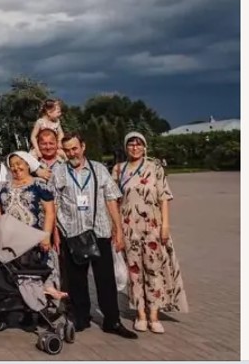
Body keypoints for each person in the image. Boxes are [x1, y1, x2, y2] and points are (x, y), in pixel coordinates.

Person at [52, 133, 137, 339]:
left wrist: (118, 231)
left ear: (83, 146)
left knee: (105, 279)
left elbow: (111, 200)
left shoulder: (99, 169)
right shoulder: (59, 172)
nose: (72, 153)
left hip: (99, 231)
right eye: (68, 150)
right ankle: (82, 317)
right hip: (71, 232)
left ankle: (112, 320)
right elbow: (53, 204)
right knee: (77, 280)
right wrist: (55, 233)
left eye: (75, 148)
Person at [111, 132, 188, 333]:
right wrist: (116, 230)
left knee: (154, 269)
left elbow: (163, 197)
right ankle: (140, 314)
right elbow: (114, 202)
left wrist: (165, 225)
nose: (135, 148)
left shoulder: (154, 168)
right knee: (134, 272)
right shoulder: (119, 170)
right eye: (131, 145)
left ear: (145, 147)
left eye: (138, 144)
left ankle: (154, 314)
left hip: (152, 226)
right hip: (129, 228)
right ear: (126, 148)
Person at [0, 151, 66, 302]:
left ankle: (42, 308)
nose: (16, 168)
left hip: (34, 238)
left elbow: (49, 211)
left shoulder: (38, 184)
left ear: (28, 165)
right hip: (12, 241)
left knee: (38, 273)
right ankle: (25, 312)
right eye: (12, 165)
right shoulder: (5, 186)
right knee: (19, 277)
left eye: (19, 164)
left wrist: (46, 236)